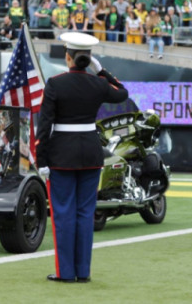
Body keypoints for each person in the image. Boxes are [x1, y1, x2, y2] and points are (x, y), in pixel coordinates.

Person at [35, 32, 128, 282]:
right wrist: (102, 72)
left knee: (63, 213)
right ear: (88, 59)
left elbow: (44, 127)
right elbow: (122, 93)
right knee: (85, 213)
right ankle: (83, 272)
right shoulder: (98, 84)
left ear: (68, 57)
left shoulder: (55, 83)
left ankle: (66, 273)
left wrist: (41, 161)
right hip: (90, 153)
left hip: (62, 156)